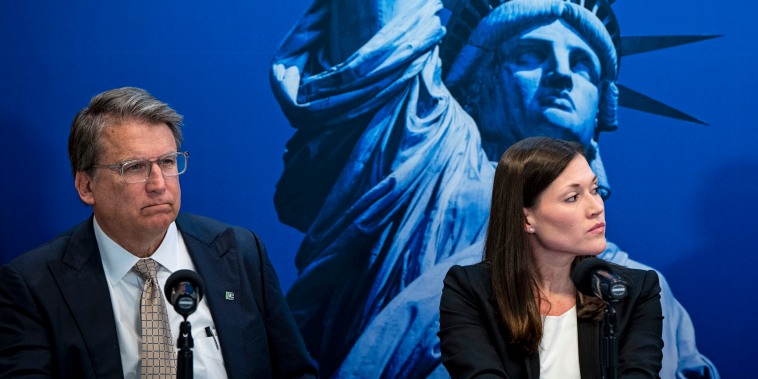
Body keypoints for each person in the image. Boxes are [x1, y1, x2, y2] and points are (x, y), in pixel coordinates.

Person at [270, 0, 717, 377]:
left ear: (600, 108)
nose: (561, 75)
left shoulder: (648, 293)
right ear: (479, 83)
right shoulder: (428, 160)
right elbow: (384, 24)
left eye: (581, 65)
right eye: (531, 55)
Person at [0, 87, 318, 379]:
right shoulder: (34, 286)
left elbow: (295, 372)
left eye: (167, 162)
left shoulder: (239, 251)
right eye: (134, 167)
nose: (158, 184)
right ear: (86, 186)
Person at [438, 136, 664, 378]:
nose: (596, 207)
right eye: (572, 197)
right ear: (526, 219)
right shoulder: (469, 291)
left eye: (594, 190)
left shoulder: (633, 291)